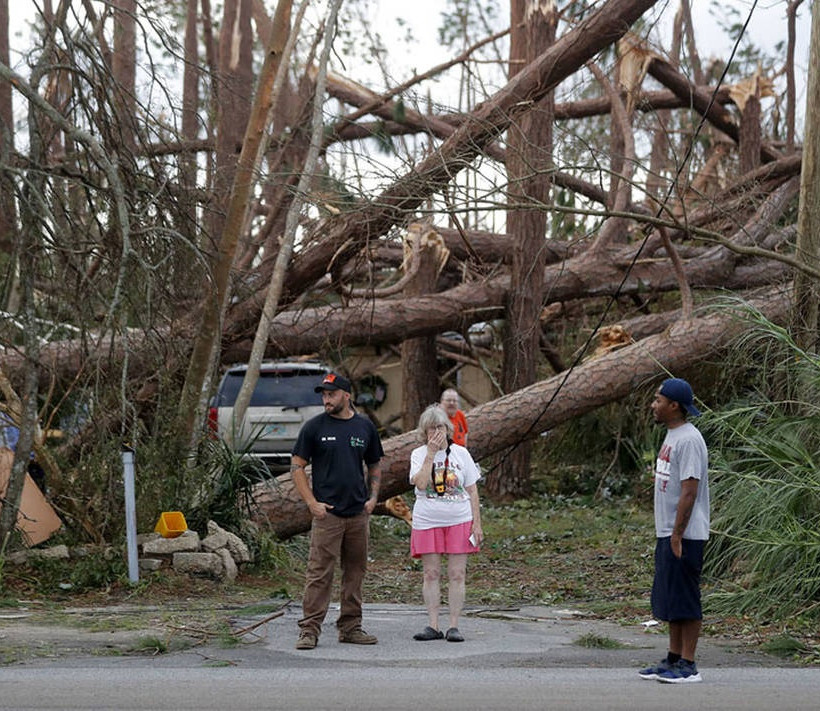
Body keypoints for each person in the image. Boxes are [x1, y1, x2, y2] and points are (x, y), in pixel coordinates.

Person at [291, 372, 384, 650]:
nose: (326, 399)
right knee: (320, 573)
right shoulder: (314, 428)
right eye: (323, 394)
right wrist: (311, 503)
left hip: (357, 514)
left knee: (355, 572)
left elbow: (375, 465)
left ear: (347, 395)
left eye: (331, 394)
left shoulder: (364, 428)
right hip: (327, 514)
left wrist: (373, 498)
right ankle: (309, 630)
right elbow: (297, 467)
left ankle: (351, 626)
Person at [639, 377, 709, 684]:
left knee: (686, 598)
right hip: (667, 531)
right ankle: (673, 658)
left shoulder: (689, 439)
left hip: (685, 534)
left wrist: (678, 534)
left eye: (658, 400)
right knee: (670, 598)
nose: (654, 405)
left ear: (674, 405)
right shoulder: (672, 435)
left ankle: (689, 664)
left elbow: (689, 492)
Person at [409, 404, 482, 642]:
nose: (436, 432)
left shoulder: (461, 453)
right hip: (427, 519)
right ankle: (433, 625)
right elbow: (420, 484)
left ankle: (453, 625)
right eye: (431, 429)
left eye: (439, 427)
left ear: (447, 428)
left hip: (459, 518)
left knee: (457, 573)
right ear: (424, 432)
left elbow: (472, 491)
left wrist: (477, 524)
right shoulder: (418, 454)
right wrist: (430, 453)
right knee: (431, 573)